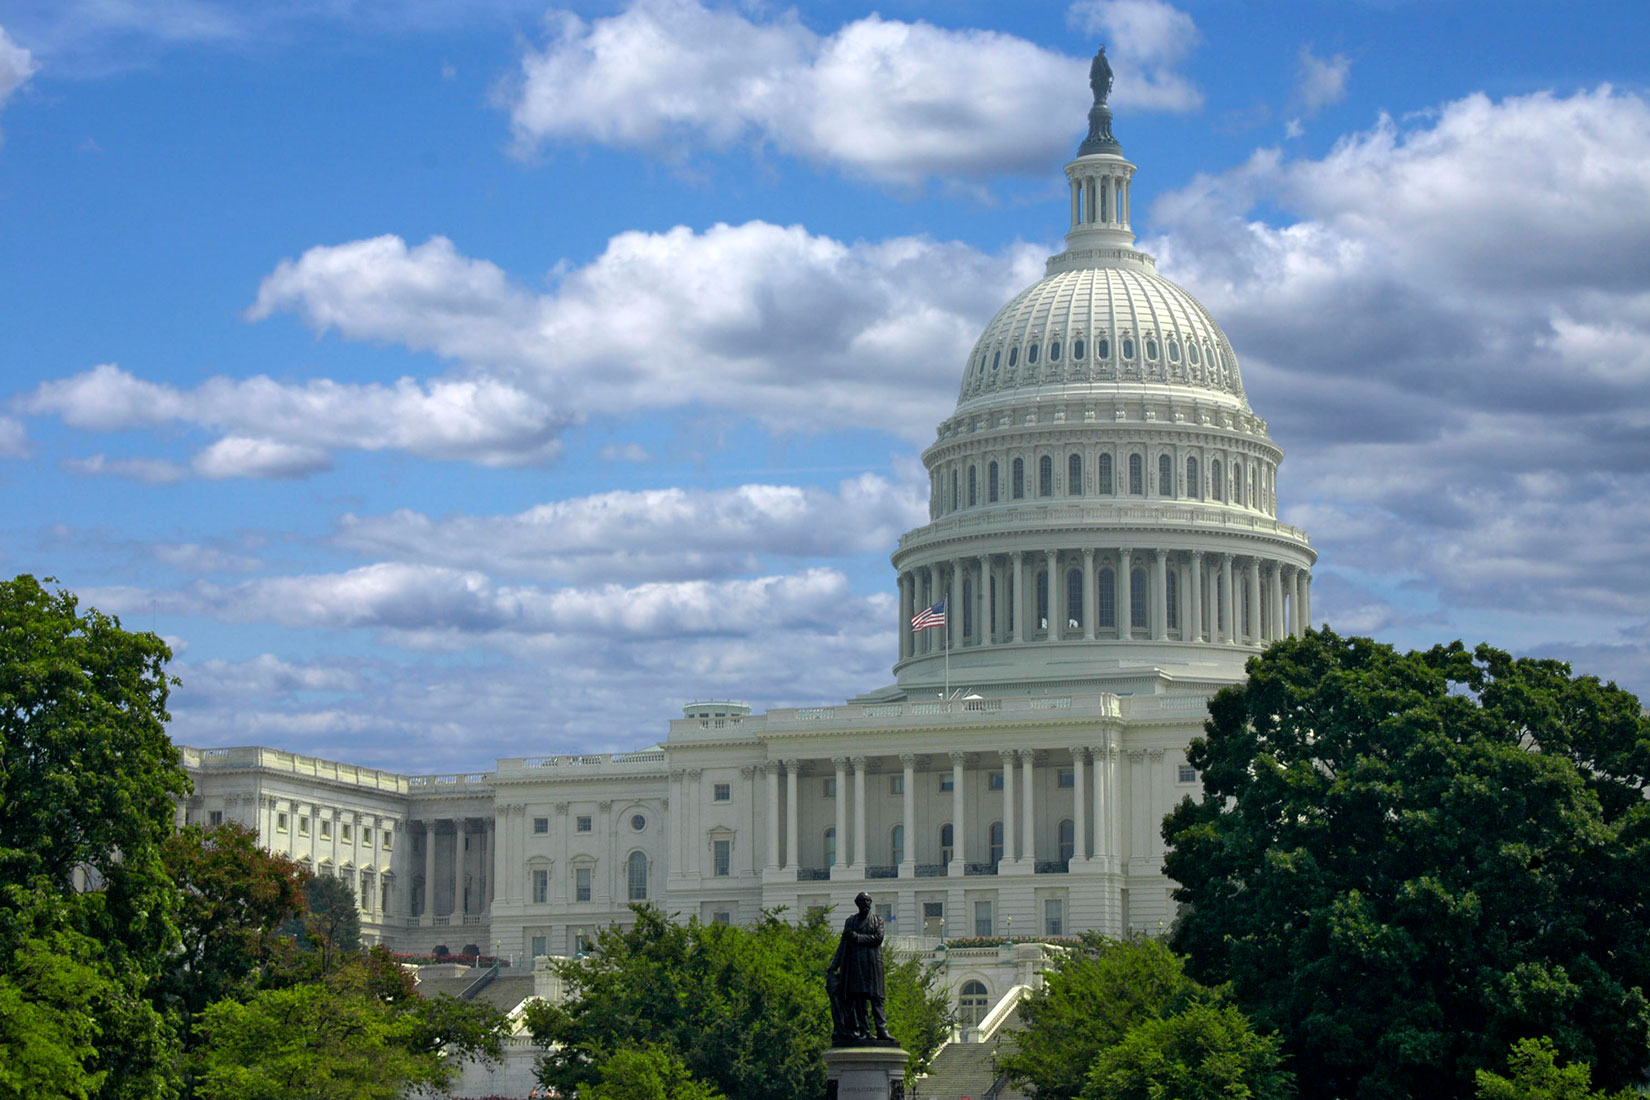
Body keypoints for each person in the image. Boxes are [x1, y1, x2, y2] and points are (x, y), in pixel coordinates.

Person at [826, 891, 889, 1042]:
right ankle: (865, 1031)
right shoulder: (850, 922)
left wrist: (857, 937)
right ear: (857, 904)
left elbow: (878, 939)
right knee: (860, 1000)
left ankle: (882, 1031)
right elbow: (843, 945)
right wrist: (833, 966)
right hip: (856, 967)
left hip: (873, 966)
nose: (866, 904)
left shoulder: (877, 920)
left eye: (868, 901)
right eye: (863, 901)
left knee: (876, 999)